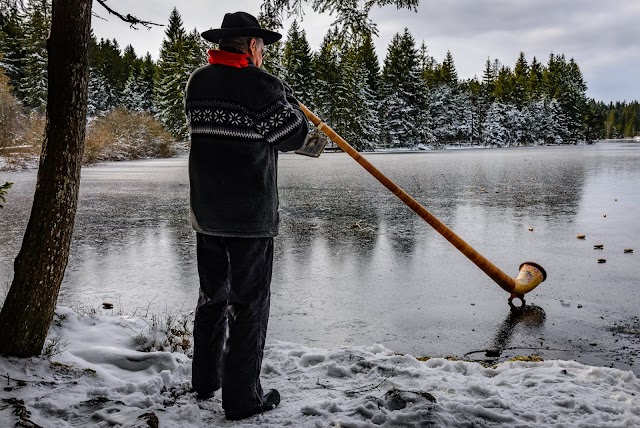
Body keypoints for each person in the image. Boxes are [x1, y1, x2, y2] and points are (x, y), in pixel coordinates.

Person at [184, 11, 308, 421]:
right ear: (253, 45)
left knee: (212, 298)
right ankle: (242, 399)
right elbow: (294, 136)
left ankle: (205, 380)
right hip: (250, 218)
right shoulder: (263, 86)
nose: (264, 52)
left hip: (207, 213)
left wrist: (277, 93)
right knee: (249, 304)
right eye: (262, 46)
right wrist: (289, 100)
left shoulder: (198, 81)